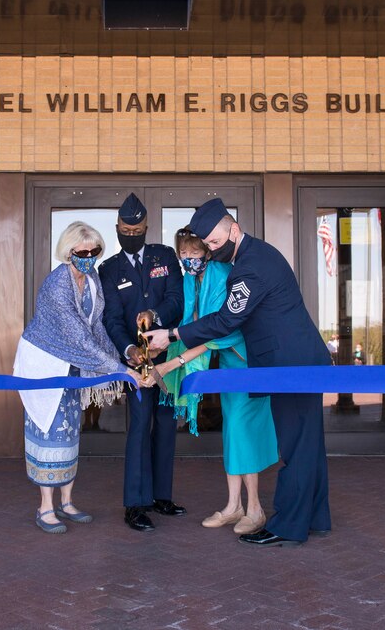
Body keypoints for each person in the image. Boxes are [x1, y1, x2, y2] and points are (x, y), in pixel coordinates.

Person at [145, 198, 332, 547]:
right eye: (209, 245)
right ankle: (315, 517)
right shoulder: (256, 255)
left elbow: (227, 320)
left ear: (234, 229)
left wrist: (172, 335)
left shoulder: (250, 265)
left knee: (295, 447)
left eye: (216, 243)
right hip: (297, 363)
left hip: (291, 367)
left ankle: (288, 526)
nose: (212, 251)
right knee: (307, 445)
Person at [14, 221, 153, 533]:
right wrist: (121, 370)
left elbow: (97, 327)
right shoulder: (56, 287)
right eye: (83, 252)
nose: (90, 257)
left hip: (71, 368)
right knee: (47, 431)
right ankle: (45, 507)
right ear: (68, 252)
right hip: (44, 365)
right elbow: (78, 338)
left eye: (96, 251)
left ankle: (66, 502)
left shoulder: (90, 279)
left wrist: (123, 357)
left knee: (69, 431)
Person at [153, 228, 278, 535]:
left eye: (195, 254)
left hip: (247, 361)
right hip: (226, 366)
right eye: (183, 254)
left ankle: (255, 509)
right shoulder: (188, 281)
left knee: (241, 432)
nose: (189, 260)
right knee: (233, 434)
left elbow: (219, 329)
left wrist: (174, 362)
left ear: (208, 253)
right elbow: (190, 325)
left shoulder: (223, 275)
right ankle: (235, 506)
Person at [98, 193, 185, 532]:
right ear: (117, 228)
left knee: (165, 424)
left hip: (168, 357)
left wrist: (155, 314)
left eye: (137, 229)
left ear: (147, 228)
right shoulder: (110, 270)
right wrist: (128, 351)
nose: (131, 234)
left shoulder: (164, 257)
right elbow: (112, 319)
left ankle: (161, 496)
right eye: (125, 229)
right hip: (136, 364)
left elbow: (177, 298)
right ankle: (135, 504)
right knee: (139, 427)